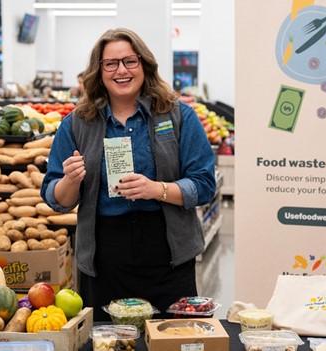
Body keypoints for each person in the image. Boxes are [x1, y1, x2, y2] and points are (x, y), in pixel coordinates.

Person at [41, 28, 216, 321]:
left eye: (130, 61)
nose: (121, 70)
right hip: (104, 258)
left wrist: (156, 189)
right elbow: (55, 198)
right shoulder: (77, 124)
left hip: (168, 254)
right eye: (110, 64)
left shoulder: (177, 116)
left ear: (144, 65)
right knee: (108, 340)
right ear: (99, 71)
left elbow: (204, 184)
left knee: (171, 337)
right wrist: (70, 181)